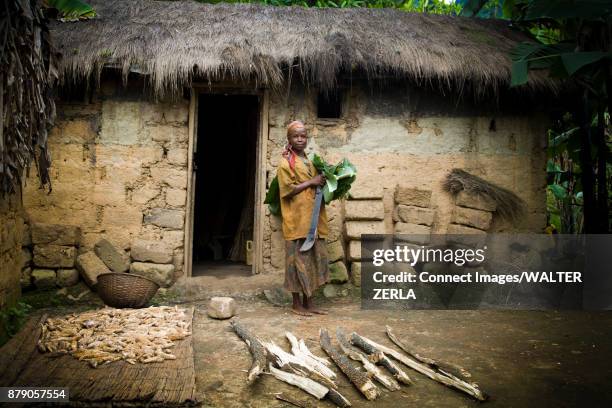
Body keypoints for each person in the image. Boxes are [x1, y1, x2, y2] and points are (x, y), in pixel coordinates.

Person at [277, 120, 329, 316]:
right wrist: (312, 181)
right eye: (295, 136)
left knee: (311, 260)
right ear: (289, 139)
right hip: (296, 219)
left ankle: (310, 302)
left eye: (303, 136)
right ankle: (296, 303)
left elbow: (317, 183)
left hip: (313, 220)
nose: (300, 139)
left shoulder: (310, 160)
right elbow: (287, 190)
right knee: (295, 261)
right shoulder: (285, 163)